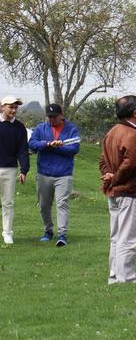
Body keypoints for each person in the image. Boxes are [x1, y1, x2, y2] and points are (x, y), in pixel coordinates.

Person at [99, 96, 136, 283]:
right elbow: (130, 163)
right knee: (128, 237)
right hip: (130, 191)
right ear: (135, 112)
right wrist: (115, 177)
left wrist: (109, 176)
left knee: (116, 237)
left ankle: (114, 275)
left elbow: (102, 160)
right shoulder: (133, 135)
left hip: (114, 192)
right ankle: (126, 278)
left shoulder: (112, 132)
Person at [28, 103, 80, 246]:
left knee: (62, 203)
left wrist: (58, 147)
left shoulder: (71, 129)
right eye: (49, 117)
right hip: (44, 173)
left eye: (54, 117)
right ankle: (48, 231)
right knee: (44, 205)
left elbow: (74, 148)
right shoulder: (41, 128)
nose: (52, 120)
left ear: (61, 115)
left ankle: (62, 234)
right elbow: (32, 144)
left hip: (63, 174)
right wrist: (48, 145)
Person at [0, 96, 30, 245]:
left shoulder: (19, 127)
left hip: (10, 170)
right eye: (10, 107)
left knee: (8, 203)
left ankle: (7, 233)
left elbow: (22, 151)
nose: (13, 110)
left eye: (15, 107)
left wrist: (24, 170)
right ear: (2, 107)